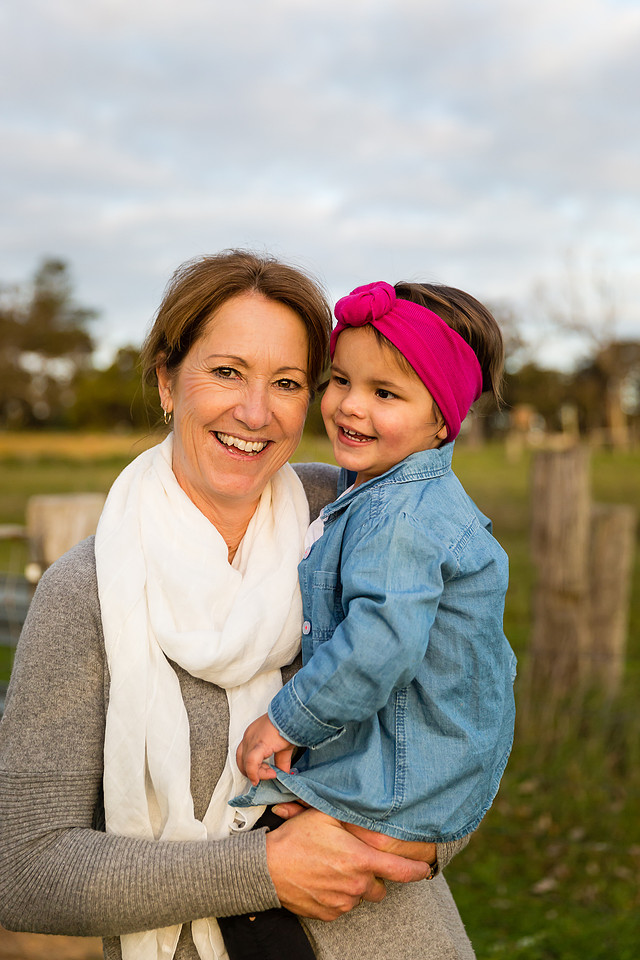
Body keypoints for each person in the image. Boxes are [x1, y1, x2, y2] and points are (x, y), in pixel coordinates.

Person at [0, 254, 477, 960]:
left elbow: (467, 709)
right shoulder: (85, 591)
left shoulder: (358, 514)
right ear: (167, 381)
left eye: (286, 382)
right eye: (227, 372)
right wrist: (264, 871)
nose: (255, 413)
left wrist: (415, 839)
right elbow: (28, 870)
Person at [235, 279, 517, 848]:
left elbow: (378, 645)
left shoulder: (400, 517)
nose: (350, 405)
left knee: (264, 836)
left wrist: (287, 721)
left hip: (407, 775)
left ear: (442, 421)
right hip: (434, 762)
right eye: (340, 380)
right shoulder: (385, 492)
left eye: (384, 393)